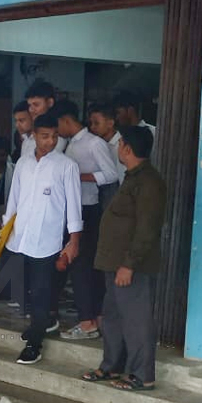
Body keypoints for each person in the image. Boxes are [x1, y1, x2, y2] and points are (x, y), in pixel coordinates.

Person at [82, 126, 166, 391]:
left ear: (127, 148)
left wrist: (129, 264)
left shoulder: (149, 182)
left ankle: (142, 375)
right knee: (114, 317)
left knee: (136, 319)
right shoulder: (132, 177)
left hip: (131, 266)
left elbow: (147, 228)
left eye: (120, 145)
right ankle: (112, 366)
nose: (118, 149)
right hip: (114, 263)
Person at [3, 113, 82, 365]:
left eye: (55, 137)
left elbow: (74, 207)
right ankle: (42, 321)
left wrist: (73, 241)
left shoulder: (66, 166)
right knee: (21, 288)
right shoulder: (24, 164)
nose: (50, 142)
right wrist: (5, 228)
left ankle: (34, 343)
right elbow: (14, 198)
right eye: (45, 136)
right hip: (20, 237)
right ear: (34, 135)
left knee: (41, 291)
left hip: (48, 240)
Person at [56, 103, 120, 341]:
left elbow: (111, 174)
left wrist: (79, 177)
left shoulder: (94, 143)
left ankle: (89, 320)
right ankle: (91, 316)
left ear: (66, 120)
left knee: (82, 265)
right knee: (73, 265)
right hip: (69, 209)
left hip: (87, 209)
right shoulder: (69, 143)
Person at [21, 81, 68, 158]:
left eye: (36, 105)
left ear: (50, 102)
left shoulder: (58, 134)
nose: (31, 110)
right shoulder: (29, 136)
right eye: (29, 105)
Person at [88, 103, 125, 188]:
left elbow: (122, 179)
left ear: (110, 123)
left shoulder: (122, 147)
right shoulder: (96, 144)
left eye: (96, 123)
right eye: (91, 123)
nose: (92, 127)